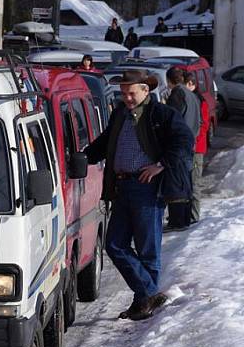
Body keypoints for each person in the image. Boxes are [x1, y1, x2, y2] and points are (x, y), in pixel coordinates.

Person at [84, 69, 194, 321]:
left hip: (146, 187)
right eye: (123, 93)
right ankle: (149, 293)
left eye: (131, 93)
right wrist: (81, 158)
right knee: (114, 244)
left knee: (147, 248)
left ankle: (142, 301)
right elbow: (104, 142)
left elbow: (184, 139)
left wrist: (161, 164)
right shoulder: (121, 114)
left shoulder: (162, 114)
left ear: (146, 90)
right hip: (122, 186)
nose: (127, 98)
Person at [164, 66, 201, 231]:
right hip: (190, 143)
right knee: (186, 182)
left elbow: (171, 118)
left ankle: (178, 221)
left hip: (179, 145)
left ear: (169, 81)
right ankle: (184, 218)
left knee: (177, 183)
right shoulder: (192, 95)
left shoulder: (177, 93)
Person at [185, 71, 209, 224]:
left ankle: (194, 215)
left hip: (196, 148)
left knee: (194, 183)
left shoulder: (200, 101)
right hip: (189, 147)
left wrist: (193, 142)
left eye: (187, 85)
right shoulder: (189, 99)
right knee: (187, 182)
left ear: (193, 85)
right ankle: (186, 214)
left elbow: (204, 126)